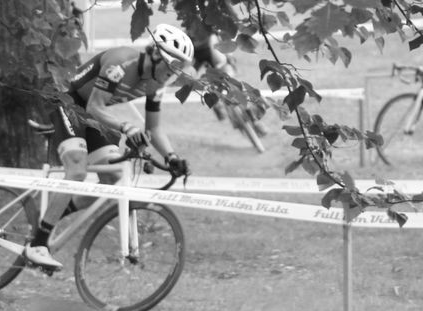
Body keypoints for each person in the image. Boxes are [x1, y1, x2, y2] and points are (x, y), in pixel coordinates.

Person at [22, 24, 194, 270]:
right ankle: (37, 244)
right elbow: (94, 106)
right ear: (156, 54)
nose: (172, 74)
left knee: (113, 178)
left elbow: (153, 128)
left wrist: (172, 157)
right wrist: (126, 127)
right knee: (77, 170)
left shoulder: (155, 83)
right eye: (171, 66)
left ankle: (47, 217)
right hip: (68, 103)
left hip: (92, 115)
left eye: (178, 69)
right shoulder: (120, 64)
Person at [194, 41, 268, 138]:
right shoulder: (196, 41)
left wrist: (228, 58)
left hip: (219, 61)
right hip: (205, 65)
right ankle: (219, 107)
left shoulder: (210, 36)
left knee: (235, 86)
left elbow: (224, 47)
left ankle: (253, 118)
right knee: (211, 90)